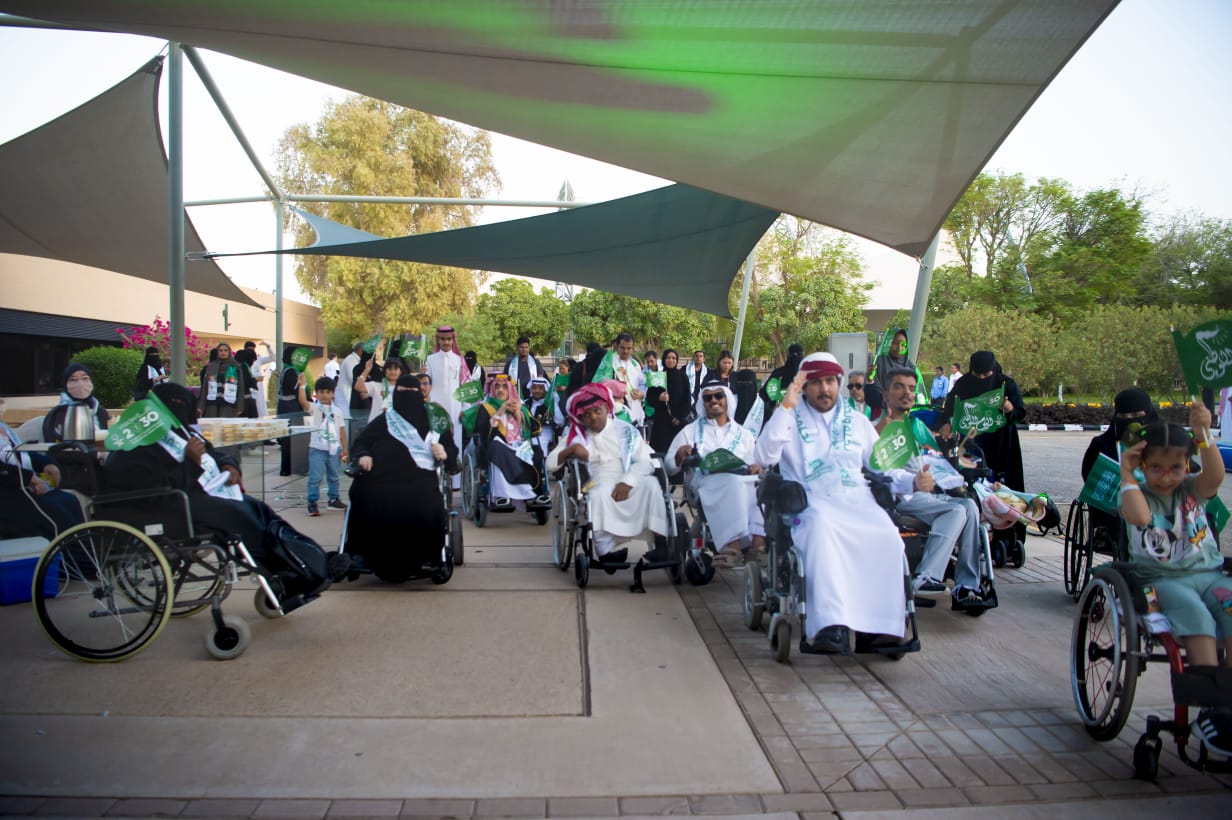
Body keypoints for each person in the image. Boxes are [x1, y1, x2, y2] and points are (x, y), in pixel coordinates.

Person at [104, 382, 349, 609]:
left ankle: (311, 562)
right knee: (242, 519)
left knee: (260, 510)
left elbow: (216, 454)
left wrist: (230, 466)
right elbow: (153, 488)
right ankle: (289, 573)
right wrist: (191, 463)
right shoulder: (137, 446)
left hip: (207, 493)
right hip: (173, 506)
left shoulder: (180, 432)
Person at [753, 352, 913, 653]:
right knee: (824, 528)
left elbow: (883, 467)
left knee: (888, 536)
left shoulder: (857, 422)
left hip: (857, 500)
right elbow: (762, 457)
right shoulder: (788, 418)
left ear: (839, 383)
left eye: (829, 381)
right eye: (815, 383)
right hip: (810, 504)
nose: (824, 389)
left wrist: (914, 482)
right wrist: (787, 404)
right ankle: (830, 625)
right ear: (803, 386)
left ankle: (879, 628)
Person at [1118, 408, 1231, 756]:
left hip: (1208, 573)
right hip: (1163, 578)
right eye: (1156, 468)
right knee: (1197, 618)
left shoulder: (1192, 489)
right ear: (1143, 464)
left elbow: (1215, 476)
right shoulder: (1136, 493)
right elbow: (1139, 517)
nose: (1167, 477)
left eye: (1176, 469)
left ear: (1187, 466)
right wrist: (1127, 469)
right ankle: (1211, 707)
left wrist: (1203, 433)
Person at [878, 368, 988, 607]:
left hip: (927, 491)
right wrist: (915, 482)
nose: (906, 393)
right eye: (899, 387)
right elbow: (880, 473)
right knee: (956, 511)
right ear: (886, 395)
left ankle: (966, 584)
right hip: (900, 497)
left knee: (969, 505)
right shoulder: (880, 429)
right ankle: (925, 577)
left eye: (910, 388)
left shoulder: (915, 426)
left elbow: (934, 459)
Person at [546, 383, 669, 563]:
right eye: (586, 415)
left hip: (628, 475)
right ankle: (605, 552)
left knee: (651, 485)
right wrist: (569, 450)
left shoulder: (626, 431)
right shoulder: (576, 435)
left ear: (607, 408)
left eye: (597, 411)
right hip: (595, 479)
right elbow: (550, 465)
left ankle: (661, 545)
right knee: (597, 493)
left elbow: (645, 461)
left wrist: (627, 482)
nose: (593, 418)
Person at [348, 374, 454, 578]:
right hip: (380, 477)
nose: (407, 396)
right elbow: (361, 442)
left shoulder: (434, 420)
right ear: (395, 394)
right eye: (402, 392)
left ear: (420, 394)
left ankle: (427, 556)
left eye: (412, 392)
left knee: (426, 500)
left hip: (419, 479)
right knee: (363, 492)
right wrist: (363, 454)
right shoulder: (385, 420)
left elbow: (451, 448)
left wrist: (443, 451)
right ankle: (362, 553)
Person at [665, 381, 765, 567]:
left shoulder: (744, 434)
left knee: (763, 481)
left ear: (727, 400)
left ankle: (757, 546)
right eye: (708, 397)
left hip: (742, 479)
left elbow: (756, 461)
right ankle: (733, 546)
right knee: (731, 482)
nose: (714, 400)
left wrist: (756, 466)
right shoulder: (690, 431)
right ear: (703, 402)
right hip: (704, 482)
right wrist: (680, 456)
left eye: (719, 395)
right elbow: (670, 466)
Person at [939, 350, 1028, 542]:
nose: (981, 378)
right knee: (974, 487)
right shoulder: (964, 384)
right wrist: (946, 422)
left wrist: (1010, 409)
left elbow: (1021, 413)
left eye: (986, 375)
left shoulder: (1005, 384)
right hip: (973, 443)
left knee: (1005, 487)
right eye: (977, 375)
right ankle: (974, 536)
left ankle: (1009, 539)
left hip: (1002, 443)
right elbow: (949, 408)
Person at [1, 398, 84, 539]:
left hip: (23, 488)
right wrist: (27, 477)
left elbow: (22, 452)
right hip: (7, 496)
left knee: (68, 500)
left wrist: (47, 463)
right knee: (57, 517)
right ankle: (79, 557)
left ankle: (86, 554)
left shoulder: (4, 427)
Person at [466, 374, 549, 506]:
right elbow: (483, 430)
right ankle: (503, 495)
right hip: (498, 445)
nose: (500, 390)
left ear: (510, 389)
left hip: (519, 444)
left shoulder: (521, 407)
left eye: (505, 387)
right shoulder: (486, 407)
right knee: (497, 448)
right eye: (497, 387)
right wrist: (502, 409)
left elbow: (529, 430)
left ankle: (536, 493)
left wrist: (517, 414)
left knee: (536, 451)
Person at [425, 326, 475, 454]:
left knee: (454, 443)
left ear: (453, 340)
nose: (446, 342)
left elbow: (466, 385)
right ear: (438, 340)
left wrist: (465, 408)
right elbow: (426, 384)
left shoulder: (459, 360)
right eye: (442, 339)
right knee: (435, 442)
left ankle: (455, 473)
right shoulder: (430, 360)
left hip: (455, 409)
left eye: (448, 339)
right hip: (435, 408)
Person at [306, 376, 348, 517]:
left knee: (334, 476)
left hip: (334, 449)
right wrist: (301, 387)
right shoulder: (315, 408)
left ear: (333, 393)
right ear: (317, 393)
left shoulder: (337, 411)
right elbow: (303, 404)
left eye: (328, 392)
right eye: (321, 391)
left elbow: (341, 430)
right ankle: (312, 502)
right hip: (317, 448)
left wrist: (345, 448)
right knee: (315, 477)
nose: (325, 395)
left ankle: (334, 499)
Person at [43, 363, 111, 443]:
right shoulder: (58, 413)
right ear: (66, 384)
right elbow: (52, 440)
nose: (80, 383)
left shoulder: (100, 411)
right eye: (73, 379)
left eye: (84, 378)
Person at [647, 349, 693, 458]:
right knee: (660, 453)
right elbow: (650, 398)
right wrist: (659, 397)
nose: (671, 360)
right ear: (663, 360)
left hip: (677, 422)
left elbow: (687, 399)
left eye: (673, 358)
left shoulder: (682, 377)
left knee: (677, 455)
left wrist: (680, 417)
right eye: (668, 358)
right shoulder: (657, 376)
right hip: (661, 422)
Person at [276, 346, 311, 477]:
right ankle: (292, 468)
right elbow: (297, 391)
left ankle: (287, 468)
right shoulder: (291, 372)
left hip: (284, 408)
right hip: (292, 409)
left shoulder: (286, 370)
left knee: (288, 439)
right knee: (293, 439)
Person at [198, 342, 254, 419]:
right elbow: (205, 387)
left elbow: (241, 387)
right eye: (220, 350)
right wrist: (201, 406)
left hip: (229, 404)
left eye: (225, 350)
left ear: (229, 352)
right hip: (212, 404)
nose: (223, 352)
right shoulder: (211, 366)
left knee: (226, 428)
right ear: (217, 352)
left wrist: (240, 407)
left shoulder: (235, 366)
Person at [610, 333, 647, 426]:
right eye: (622, 348)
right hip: (618, 412)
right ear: (616, 346)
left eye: (629, 348)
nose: (626, 351)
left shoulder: (635, 364)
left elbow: (643, 384)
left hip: (635, 410)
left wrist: (642, 393)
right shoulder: (610, 362)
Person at [355, 356, 407, 422]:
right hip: (375, 426)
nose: (392, 372)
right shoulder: (376, 386)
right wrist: (367, 370)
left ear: (400, 372)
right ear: (385, 371)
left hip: (395, 427)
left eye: (395, 369)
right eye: (389, 369)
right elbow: (358, 387)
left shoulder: (404, 389)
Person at [760, 343, 804, 421]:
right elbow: (765, 396)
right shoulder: (778, 374)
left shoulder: (806, 375)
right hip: (777, 416)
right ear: (788, 355)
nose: (795, 358)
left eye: (798, 355)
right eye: (793, 355)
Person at [871, 328, 915, 395]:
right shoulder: (879, 363)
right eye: (896, 343)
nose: (899, 348)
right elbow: (873, 388)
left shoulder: (911, 366)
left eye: (903, 345)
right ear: (888, 343)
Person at [502, 336, 547, 401]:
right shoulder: (510, 363)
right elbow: (505, 379)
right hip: (514, 396)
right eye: (521, 347)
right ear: (517, 348)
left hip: (532, 397)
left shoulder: (535, 362)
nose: (524, 350)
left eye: (526, 347)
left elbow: (540, 379)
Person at [526, 376, 557, 458]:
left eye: (540, 388)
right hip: (527, 431)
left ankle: (541, 467)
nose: (536, 391)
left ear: (545, 390)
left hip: (544, 431)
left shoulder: (550, 405)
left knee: (537, 442)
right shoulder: (525, 403)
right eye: (534, 388)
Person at [730, 368, 765, 433]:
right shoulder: (730, 401)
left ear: (754, 385)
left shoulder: (762, 405)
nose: (745, 387)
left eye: (748, 383)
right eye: (741, 383)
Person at [337, 342, 364, 420]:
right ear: (360, 350)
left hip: (349, 394)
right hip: (346, 395)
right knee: (346, 420)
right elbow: (352, 379)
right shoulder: (351, 360)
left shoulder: (354, 359)